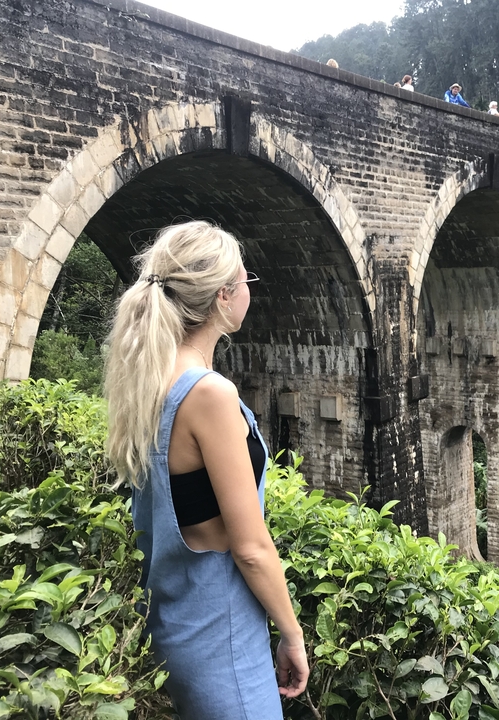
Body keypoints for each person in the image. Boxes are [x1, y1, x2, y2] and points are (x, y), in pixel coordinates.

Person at [104, 221, 309, 719]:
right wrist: (293, 634)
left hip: (178, 618)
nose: (249, 291)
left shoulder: (150, 378)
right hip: (224, 634)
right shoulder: (208, 393)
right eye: (246, 281)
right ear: (223, 296)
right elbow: (252, 549)